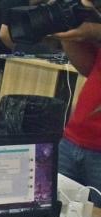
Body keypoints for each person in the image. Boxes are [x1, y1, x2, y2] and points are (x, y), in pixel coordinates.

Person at [54, 9, 101, 203]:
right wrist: (69, 36)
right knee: (54, 212)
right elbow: (90, 68)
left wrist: (94, 31)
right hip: (74, 138)